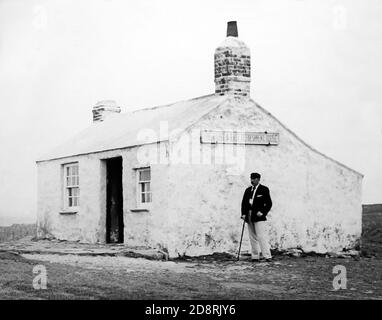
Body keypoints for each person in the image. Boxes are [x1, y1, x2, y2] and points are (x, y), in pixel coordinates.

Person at [241, 172, 273, 262]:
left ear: (258, 179)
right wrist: (243, 214)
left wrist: (262, 212)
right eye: (251, 178)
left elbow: (269, 203)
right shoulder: (247, 190)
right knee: (252, 237)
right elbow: (243, 203)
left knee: (261, 236)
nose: (252, 180)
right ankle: (255, 256)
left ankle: (267, 256)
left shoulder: (264, 189)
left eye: (254, 179)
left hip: (259, 216)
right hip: (249, 215)